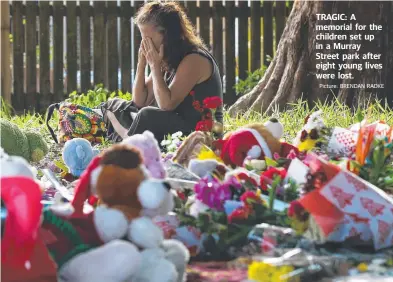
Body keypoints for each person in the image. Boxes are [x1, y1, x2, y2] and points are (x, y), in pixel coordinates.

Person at [100, 1, 223, 144]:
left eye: (149, 38)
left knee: (147, 115)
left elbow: (166, 105)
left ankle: (125, 138)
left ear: (167, 34)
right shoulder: (167, 57)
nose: (146, 43)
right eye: (142, 38)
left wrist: (154, 66)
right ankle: (125, 135)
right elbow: (139, 101)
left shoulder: (194, 59)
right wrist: (142, 64)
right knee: (117, 104)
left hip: (200, 133)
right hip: (175, 125)